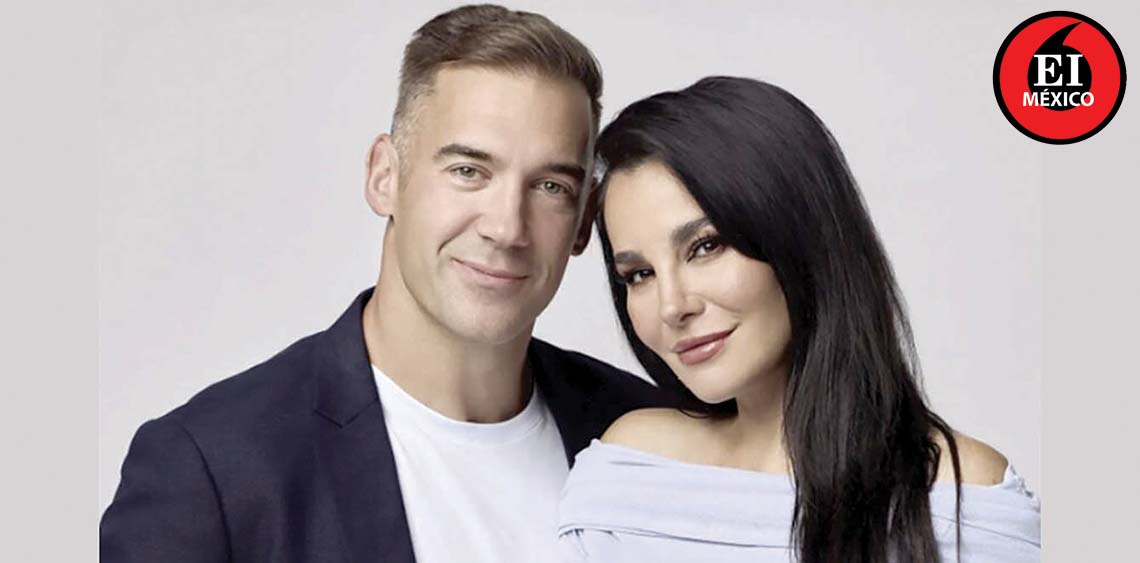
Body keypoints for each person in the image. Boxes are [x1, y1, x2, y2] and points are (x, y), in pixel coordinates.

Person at [100, 5, 675, 563]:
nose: (506, 228)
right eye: (468, 171)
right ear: (384, 177)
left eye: (550, 187)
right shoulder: (212, 471)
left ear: (583, 222)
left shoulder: (653, 440)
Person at [557, 77, 1041, 562]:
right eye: (639, 274)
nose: (671, 305)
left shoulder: (965, 501)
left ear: (799, 238)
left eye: (706, 246)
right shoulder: (630, 473)